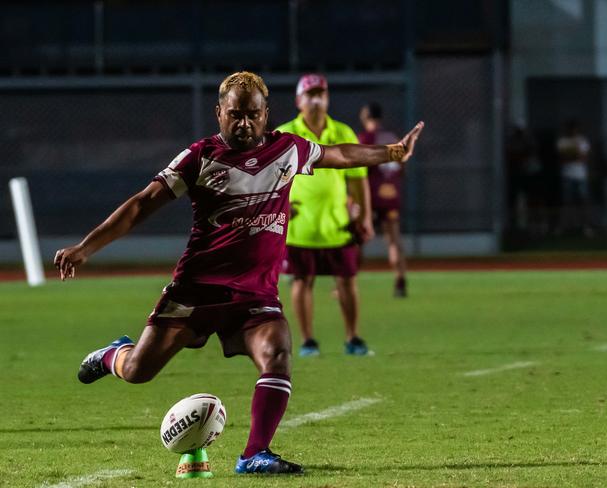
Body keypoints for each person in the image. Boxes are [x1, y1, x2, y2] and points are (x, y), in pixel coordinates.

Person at [54, 71, 424, 475]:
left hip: (255, 295)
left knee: (278, 354)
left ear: (267, 115)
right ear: (219, 113)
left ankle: (254, 454)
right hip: (196, 291)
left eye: (252, 114)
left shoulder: (289, 150)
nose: (244, 123)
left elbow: (339, 155)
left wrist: (390, 152)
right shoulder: (199, 157)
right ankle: (112, 355)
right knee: (138, 371)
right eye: (235, 114)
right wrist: (86, 248)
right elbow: (143, 204)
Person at [276, 74, 374, 357]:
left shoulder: (343, 132)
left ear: (328, 98)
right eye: (310, 94)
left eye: (321, 94)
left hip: (337, 224)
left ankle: (353, 338)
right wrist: (278, 207)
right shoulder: (285, 135)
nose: (316, 100)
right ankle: (308, 341)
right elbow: (270, 179)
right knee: (301, 281)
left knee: (346, 281)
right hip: (299, 226)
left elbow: (358, 178)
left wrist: (365, 217)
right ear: (298, 100)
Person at [358, 102, 408, 297]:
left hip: (371, 196)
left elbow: (358, 168)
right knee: (394, 240)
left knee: (358, 238)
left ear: (365, 117)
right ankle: (400, 281)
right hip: (391, 195)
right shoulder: (393, 139)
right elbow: (402, 166)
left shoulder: (365, 138)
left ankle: (346, 281)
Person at [556, 119, 592, 236]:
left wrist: (573, 154)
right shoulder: (563, 141)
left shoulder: (582, 141)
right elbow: (562, 158)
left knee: (584, 201)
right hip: (567, 175)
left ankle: (586, 227)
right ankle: (565, 226)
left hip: (581, 175)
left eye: (575, 129)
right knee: (567, 202)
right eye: (571, 129)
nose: (573, 131)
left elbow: (584, 158)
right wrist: (574, 155)